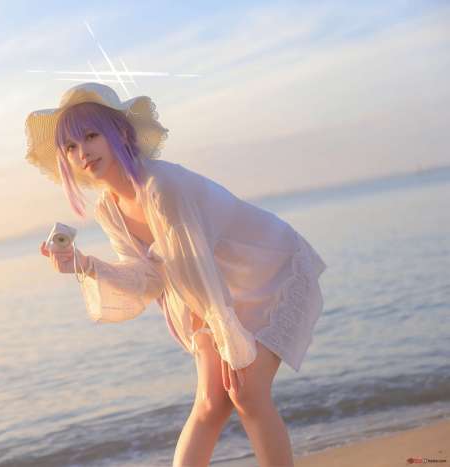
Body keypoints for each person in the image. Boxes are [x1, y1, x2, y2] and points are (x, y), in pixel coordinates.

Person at [25, 82, 327, 467]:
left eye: (90, 136)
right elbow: (147, 280)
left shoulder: (160, 186)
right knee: (211, 402)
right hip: (210, 289)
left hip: (269, 269)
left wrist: (230, 342)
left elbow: (196, 269)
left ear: (119, 133)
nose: (82, 151)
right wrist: (81, 264)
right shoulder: (108, 208)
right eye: (70, 146)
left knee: (248, 394)